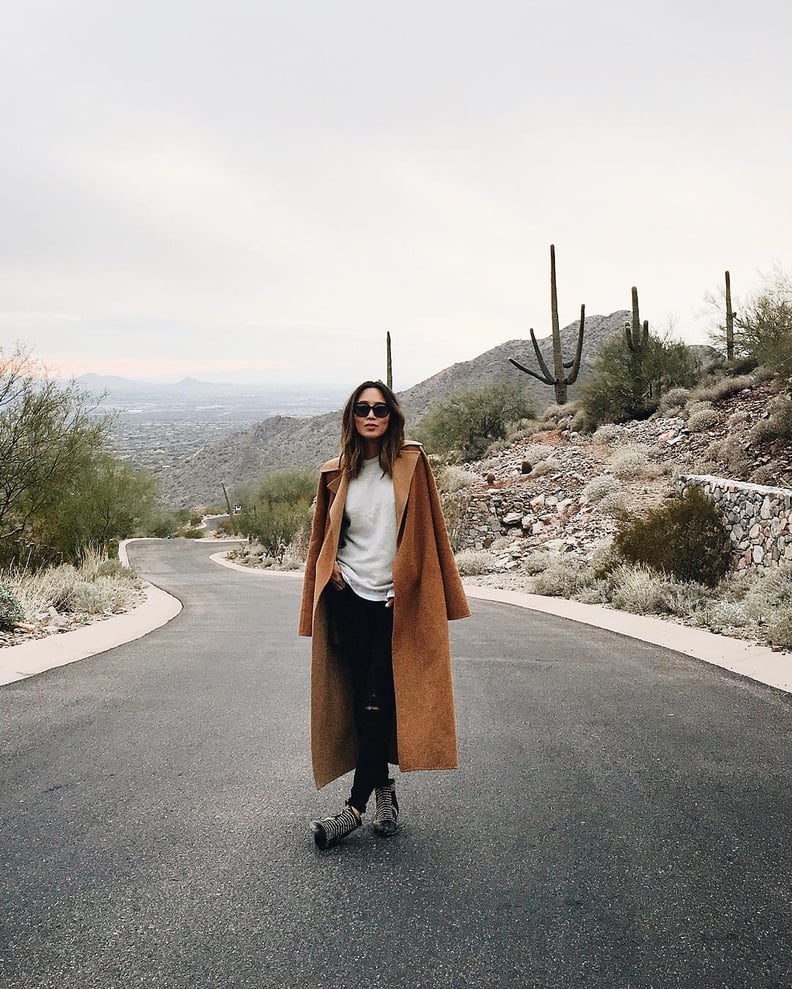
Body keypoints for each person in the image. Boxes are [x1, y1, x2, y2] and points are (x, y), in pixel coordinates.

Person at [299, 379, 470, 850]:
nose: (371, 416)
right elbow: (323, 536)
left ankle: (352, 810)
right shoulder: (336, 473)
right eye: (361, 409)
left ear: (392, 415)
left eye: (379, 408)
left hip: (395, 604)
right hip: (349, 596)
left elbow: (430, 531)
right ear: (351, 417)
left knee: (377, 700)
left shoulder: (411, 464)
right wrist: (327, 566)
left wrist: (413, 581)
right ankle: (385, 790)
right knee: (363, 701)